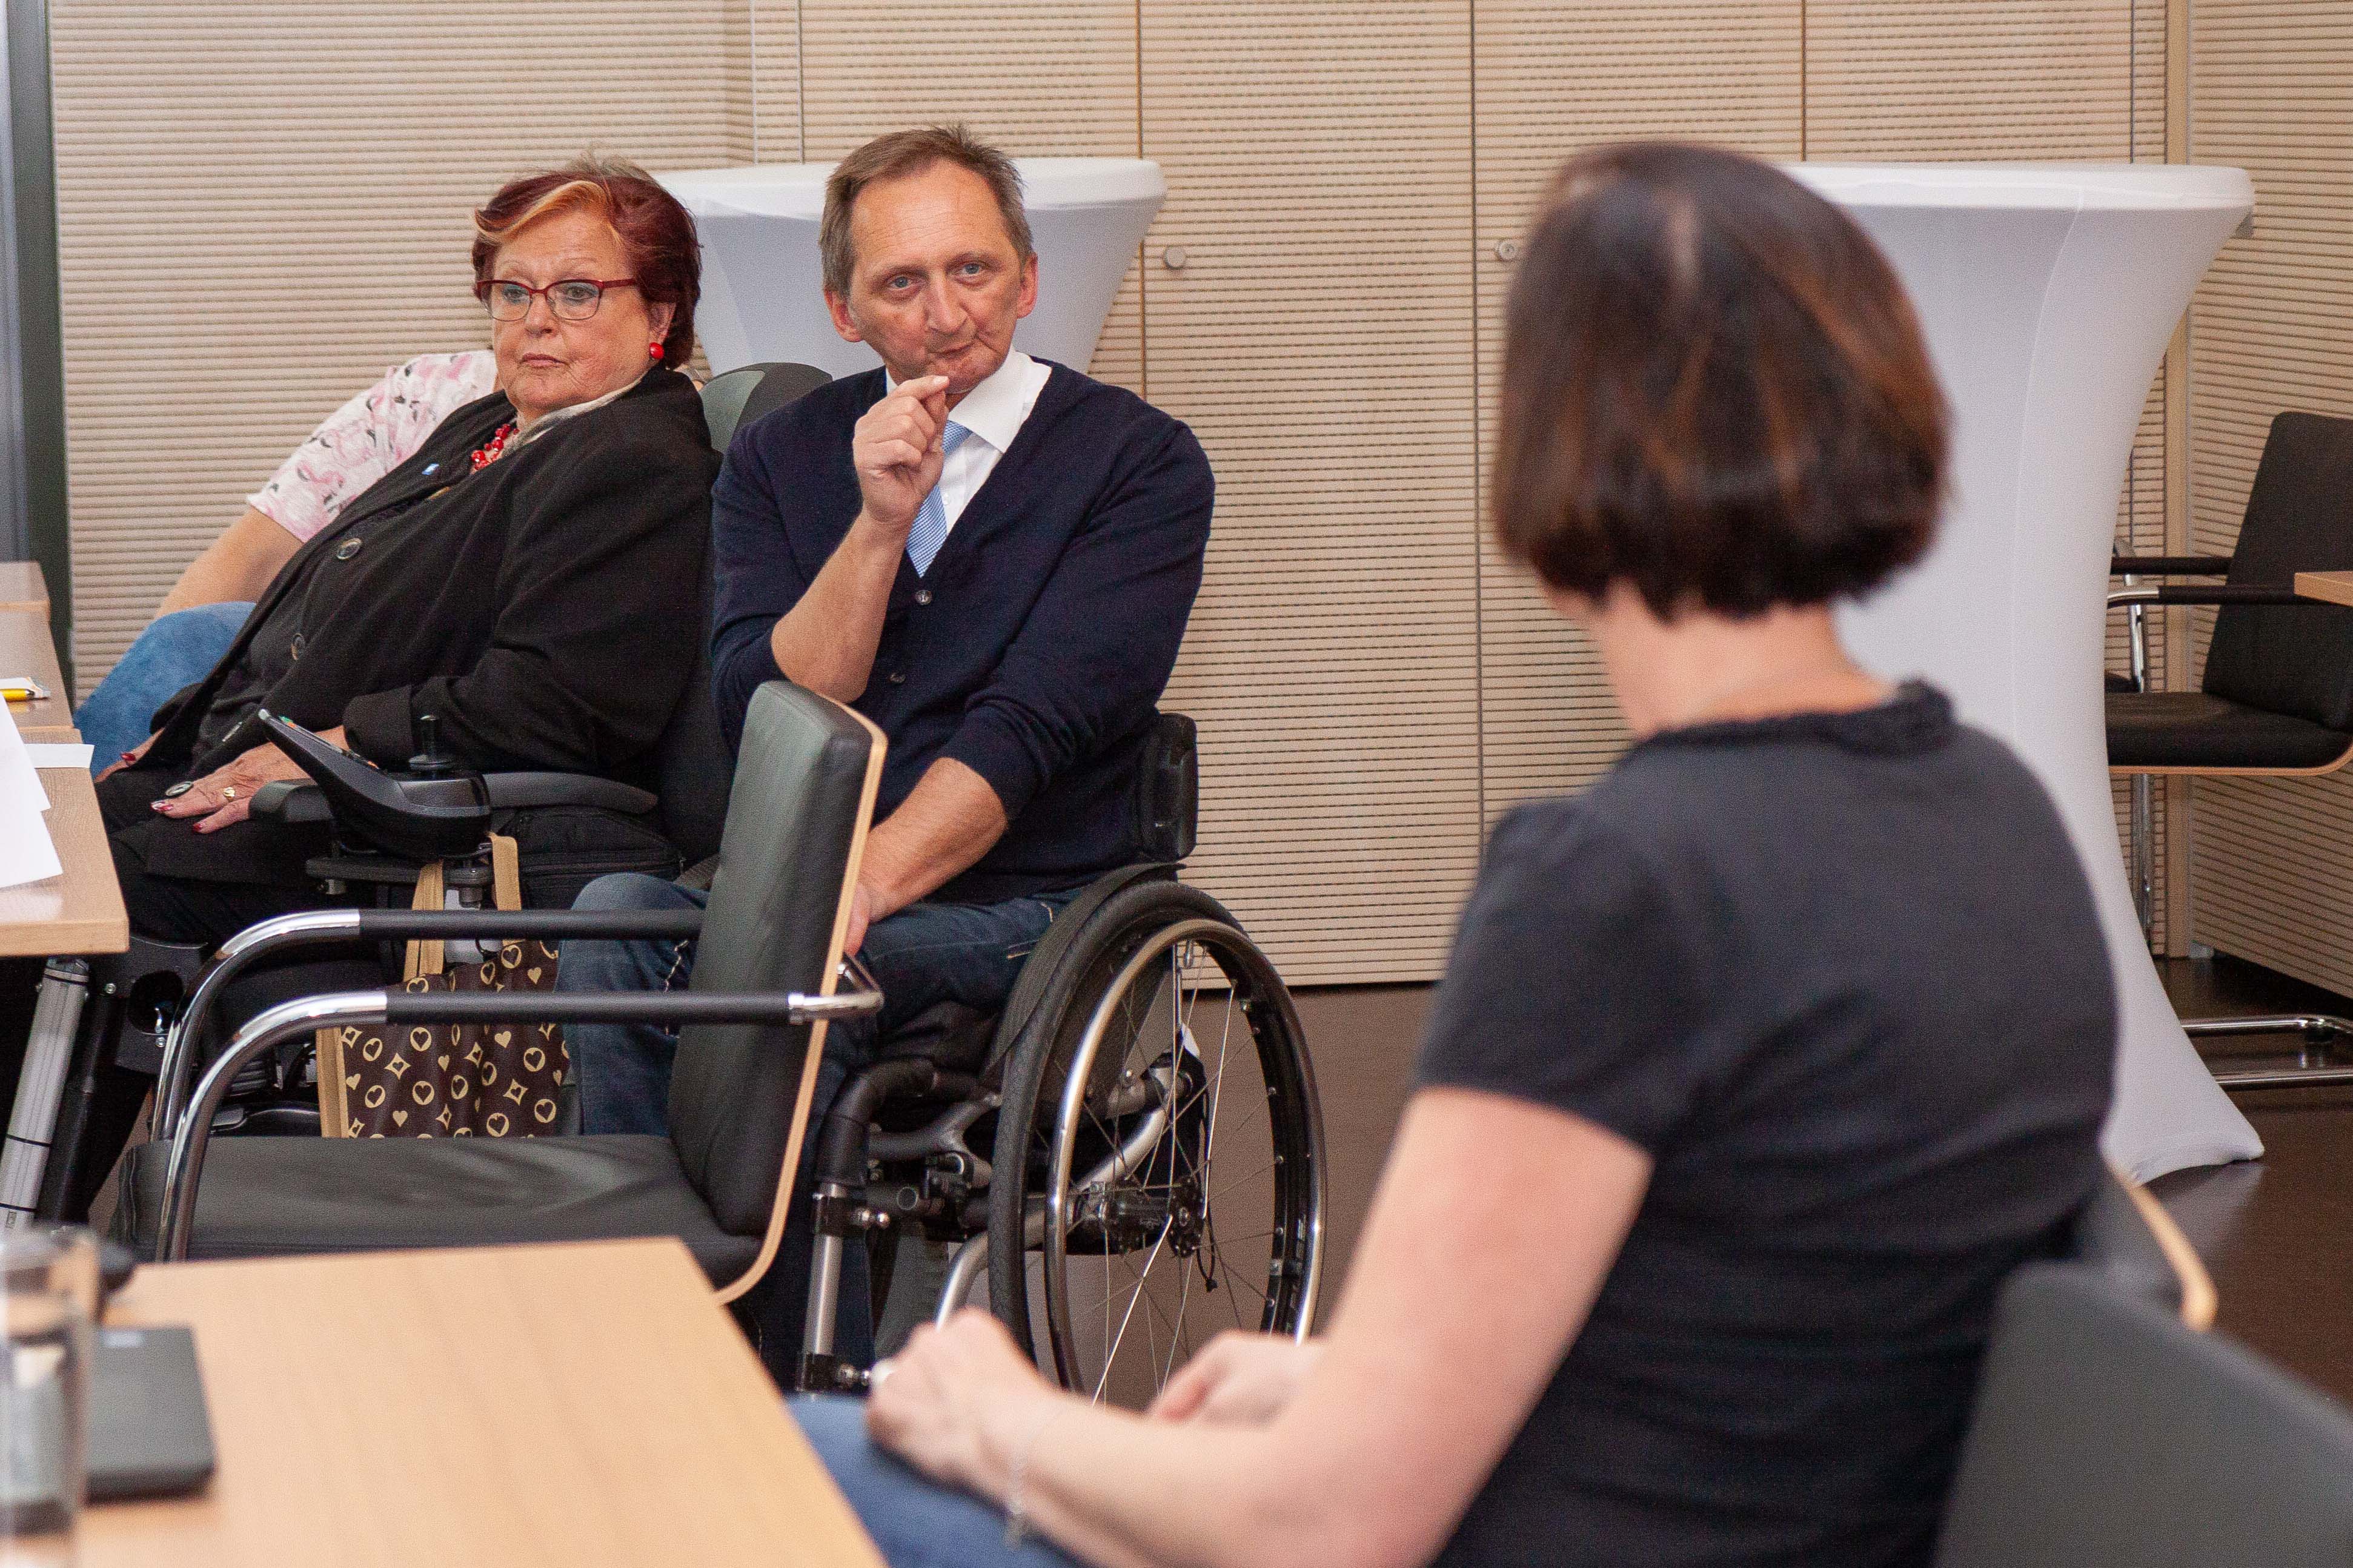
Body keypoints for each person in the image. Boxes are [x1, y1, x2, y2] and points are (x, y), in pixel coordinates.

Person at [792, 142, 2119, 1568]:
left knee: (798, 1446)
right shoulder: (1996, 806)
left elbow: (1327, 1524)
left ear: (1546, 469)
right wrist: (1344, 1381)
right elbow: (1768, 1314)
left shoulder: (1611, 887)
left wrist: (1000, 1411)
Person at [554, 124, 1214, 1368]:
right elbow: (769, 708)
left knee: (806, 987)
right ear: (843, 310)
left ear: (1025, 279)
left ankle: (813, 1407)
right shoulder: (785, 454)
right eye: (901, 284)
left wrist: (855, 887)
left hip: (1034, 893)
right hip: (829, 883)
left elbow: (1032, 732)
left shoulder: (1136, 463)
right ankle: (666, 1342)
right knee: (616, 917)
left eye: (972, 271)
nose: (945, 312)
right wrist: (875, 526)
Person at [53, 155, 720, 1196]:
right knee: (47, 848)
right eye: (512, 290)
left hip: (404, 828)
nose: (536, 319)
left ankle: (25, 1230)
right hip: (308, 784)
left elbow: (557, 701)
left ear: (660, 315)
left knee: (75, 900)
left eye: (578, 291)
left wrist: (336, 746)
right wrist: (191, 736)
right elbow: (314, 605)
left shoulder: (634, 457)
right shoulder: (493, 428)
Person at [75, 349, 497, 772]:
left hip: (415, 685)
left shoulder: (556, 461)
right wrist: (176, 725)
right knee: (189, 634)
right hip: (323, 649)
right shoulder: (431, 394)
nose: (537, 322)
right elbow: (251, 559)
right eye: (512, 291)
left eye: (567, 292)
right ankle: (66, 801)